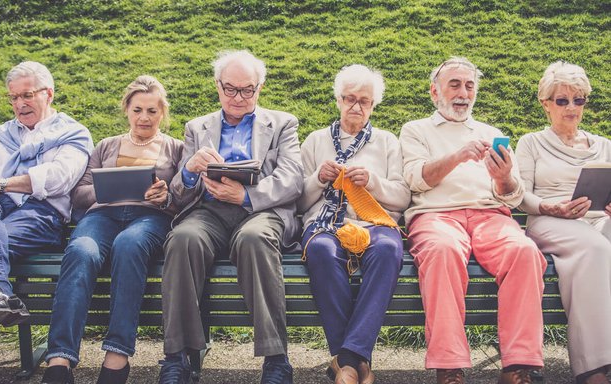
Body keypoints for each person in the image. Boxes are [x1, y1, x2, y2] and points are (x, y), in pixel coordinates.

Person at [399, 57, 547, 384]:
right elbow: (415, 179)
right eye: (454, 84)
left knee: (524, 252)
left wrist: (505, 177)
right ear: (434, 92)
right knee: (442, 251)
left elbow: (512, 194)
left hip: (490, 215)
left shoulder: (492, 133)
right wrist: (458, 155)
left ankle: (517, 366)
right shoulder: (415, 130)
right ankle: (449, 367)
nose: (463, 92)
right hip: (435, 215)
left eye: (469, 85)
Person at [158, 50, 303, 384]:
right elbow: (180, 192)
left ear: (260, 88)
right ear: (217, 86)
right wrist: (190, 170)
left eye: (247, 90)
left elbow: (292, 179)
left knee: (254, 240)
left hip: (261, 210)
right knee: (182, 239)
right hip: (209, 211)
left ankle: (276, 358)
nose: (238, 97)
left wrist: (246, 196)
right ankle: (177, 357)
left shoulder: (282, 123)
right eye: (230, 89)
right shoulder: (197, 127)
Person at [40, 75, 183, 384]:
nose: (144, 117)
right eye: (137, 110)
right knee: (81, 251)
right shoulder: (106, 146)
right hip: (103, 215)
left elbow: (184, 198)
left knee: (129, 245)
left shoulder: (175, 148)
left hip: (149, 218)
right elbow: (79, 193)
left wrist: (166, 196)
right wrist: (107, 189)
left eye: (152, 111)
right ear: (126, 110)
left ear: (163, 113)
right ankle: (59, 359)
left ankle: (117, 356)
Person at [0, 61, 93, 382]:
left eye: (27, 95)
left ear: (49, 93)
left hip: (40, 215)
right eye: (13, 98)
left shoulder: (72, 134)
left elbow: (57, 179)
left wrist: (3, 183)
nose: (20, 104)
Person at [298, 64, 410, 384]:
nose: (356, 107)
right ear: (338, 100)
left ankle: (345, 361)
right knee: (320, 249)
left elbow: (401, 197)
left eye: (365, 101)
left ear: (374, 105)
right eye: (350, 99)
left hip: (373, 222)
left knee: (388, 249)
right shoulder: (316, 140)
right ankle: (357, 364)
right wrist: (319, 179)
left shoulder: (387, 141)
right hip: (324, 223)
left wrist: (373, 182)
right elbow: (298, 202)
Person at [515, 61, 611, 384]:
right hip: (547, 218)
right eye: (562, 100)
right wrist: (552, 207)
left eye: (579, 100)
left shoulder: (603, 145)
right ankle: (594, 367)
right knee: (596, 248)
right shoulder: (531, 143)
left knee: (598, 242)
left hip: (596, 219)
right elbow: (520, 196)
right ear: (546, 104)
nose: (572, 107)